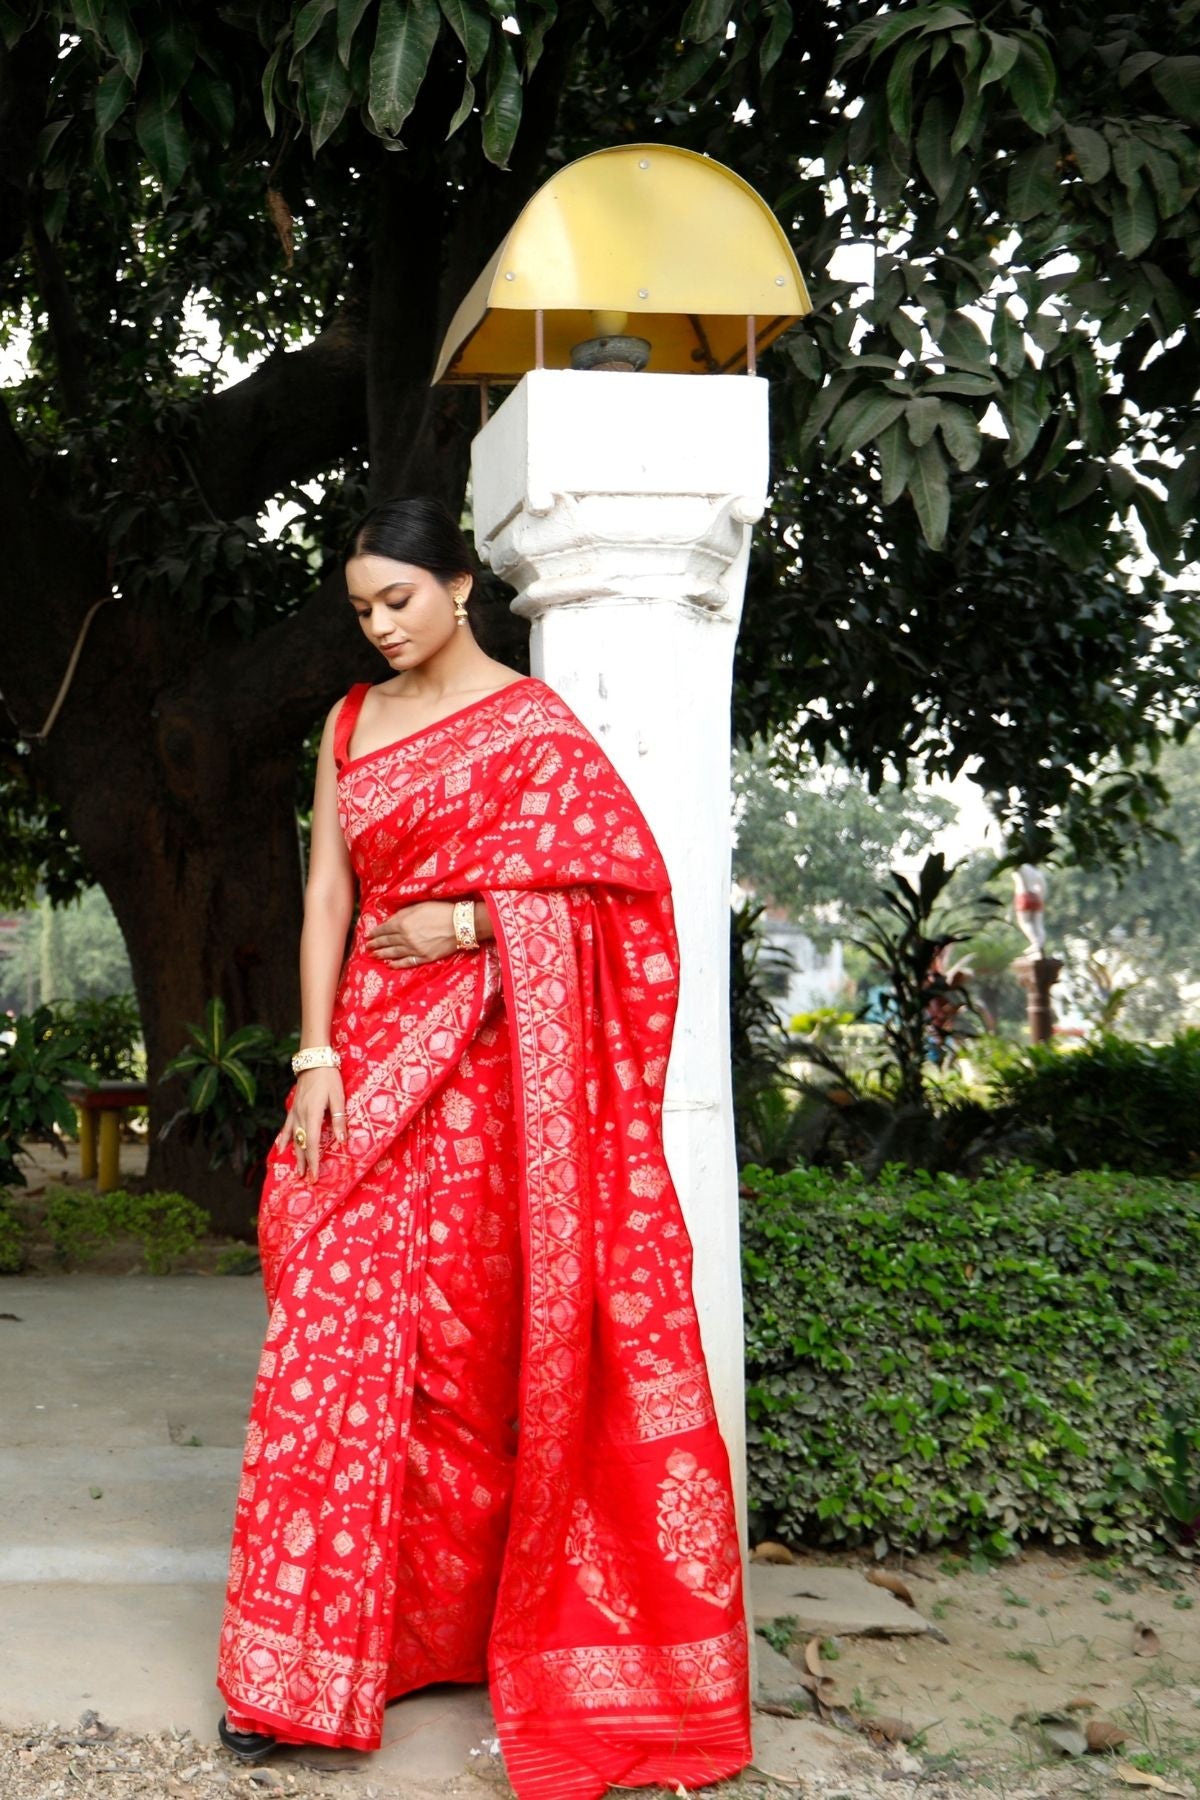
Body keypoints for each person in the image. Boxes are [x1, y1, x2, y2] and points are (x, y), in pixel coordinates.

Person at [214, 497, 752, 1800]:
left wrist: (467, 926)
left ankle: (430, 1639)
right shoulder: (350, 722)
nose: (382, 624)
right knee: (329, 1335)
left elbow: (622, 892)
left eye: (400, 598)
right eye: (361, 608)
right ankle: (288, 1672)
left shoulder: (532, 730)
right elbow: (328, 895)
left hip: (489, 1090)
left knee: (460, 1368)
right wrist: (315, 1055)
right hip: (363, 1069)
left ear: (460, 582)